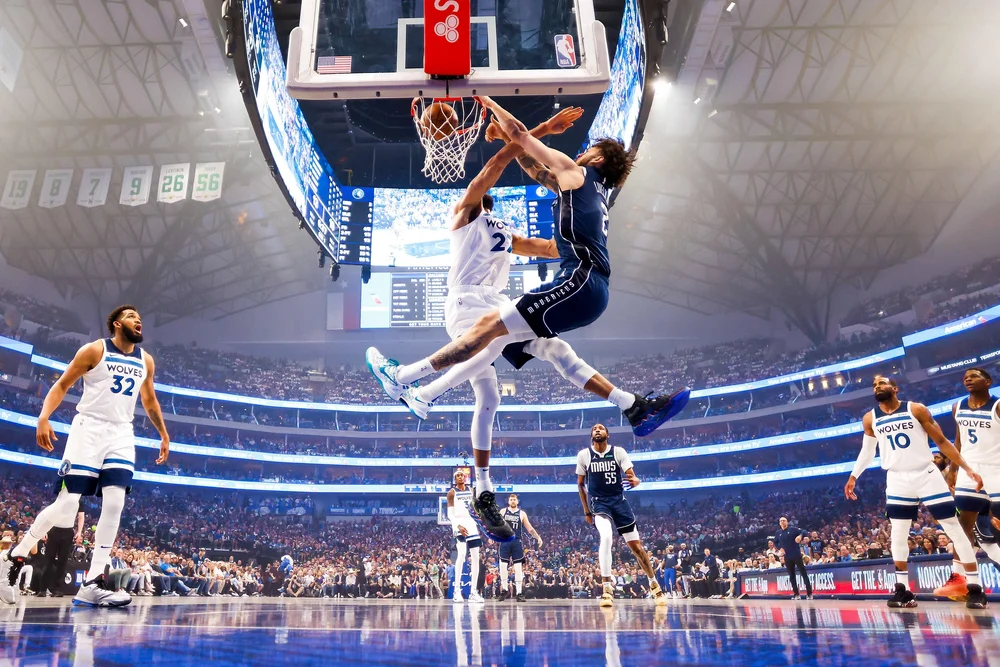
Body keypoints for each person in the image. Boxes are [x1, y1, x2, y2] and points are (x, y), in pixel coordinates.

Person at [368, 98, 690, 535]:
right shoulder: (466, 214)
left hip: (529, 290)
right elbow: (510, 168)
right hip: (473, 301)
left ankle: (410, 383)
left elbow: (525, 168)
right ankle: (482, 478)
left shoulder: (511, 222)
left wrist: (512, 120)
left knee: (498, 358)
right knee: (511, 371)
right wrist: (516, 139)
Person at [0, 305, 170, 607]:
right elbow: (62, 384)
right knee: (67, 503)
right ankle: (15, 554)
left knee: (116, 501)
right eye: (131, 316)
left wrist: (163, 434)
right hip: (88, 429)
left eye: (139, 318)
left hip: (121, 432)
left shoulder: (146, 361)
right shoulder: (95, 350)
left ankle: (92, 581)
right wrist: (43, 417)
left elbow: (150, 399)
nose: (138, 320)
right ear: (117, 324)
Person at [844, 375, 987, 609]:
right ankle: (903, 591)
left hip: (926, 474)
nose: (878, 387)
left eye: (882, 383)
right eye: (874, 385)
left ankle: (974, 587)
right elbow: (867, 452)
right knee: (898, 533)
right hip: (897, 478)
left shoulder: (916, 409)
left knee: (954, 527)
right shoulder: (870, 418)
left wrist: (966, 468)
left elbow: (941, 441)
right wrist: (853, 476)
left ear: (895, 388)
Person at [576, 423, 668, 608]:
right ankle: (607, 589)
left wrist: (636, 480)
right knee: (607, 536)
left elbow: (632, 475)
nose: (597, 430)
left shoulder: (618, 452)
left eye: (601, 428)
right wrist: (587, 510)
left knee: (637, 548)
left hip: (619, 502)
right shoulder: (584, 455)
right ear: (591, 436)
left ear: (607, 434)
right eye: (594, 429)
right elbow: (580, 484)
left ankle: (654, 584)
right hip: (599, 502)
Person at [936, 367, 1000, 599]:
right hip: (969, 470)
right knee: (962, 524)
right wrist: (953, 469)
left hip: (996, 469)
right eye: (965, 378)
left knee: (996, 528)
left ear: (988, 381)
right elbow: (958, 441)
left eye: (974, 376)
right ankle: (959, 578)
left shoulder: (997, 406)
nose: (968, 380)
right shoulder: (958, 407)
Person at [496, 494, 543, 603]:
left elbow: (529, 528)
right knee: (503, 566)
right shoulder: (503, 511)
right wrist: (492, 536)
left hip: (516, 541)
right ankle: (504, 590)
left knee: (518, 568)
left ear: (517, 501)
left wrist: (538, 537)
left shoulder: (522, 514)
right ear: (508, 501)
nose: (513, 501)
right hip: (505, 540)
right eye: (511, 499)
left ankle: (519, 593)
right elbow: (496, 525)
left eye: (514, 499)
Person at [447, 470, 484, 604]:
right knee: (461, 554)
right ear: (455, 478)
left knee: (475, 557)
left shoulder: (471, 490)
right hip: (459, 523)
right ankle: (457, 591)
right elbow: (450, 514)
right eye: (457, 475)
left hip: (471, 523)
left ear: (465, 477)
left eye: (462, 475)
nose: (460, 477)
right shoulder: (452, 492)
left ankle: (473, 592)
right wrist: (458, 526)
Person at [774, 516, 813, 600]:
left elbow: (804, 531)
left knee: (803, 573)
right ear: (779, 523)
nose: (782, 522)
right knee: (791, 576)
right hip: (787, 556)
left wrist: (800, 536)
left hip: (796, 554)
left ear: (787, 522)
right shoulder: (778, 532)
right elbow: (775, 542)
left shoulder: (793, 529)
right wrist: (779, 548)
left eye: (784, 520)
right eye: (781, 521)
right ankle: (796, 594)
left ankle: (809, 593)